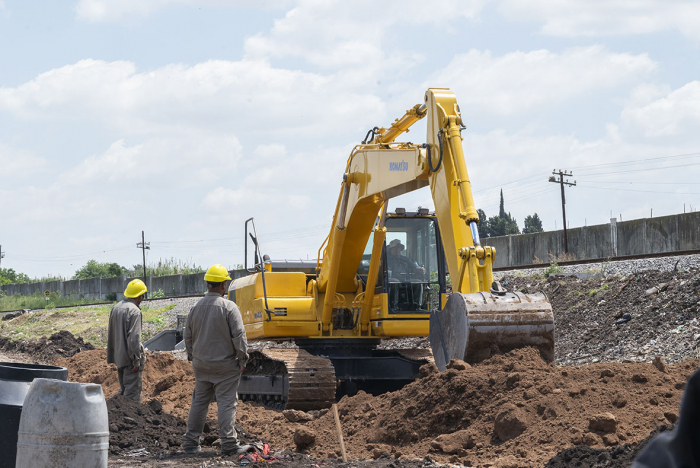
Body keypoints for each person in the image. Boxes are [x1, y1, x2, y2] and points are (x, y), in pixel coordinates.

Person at [182, 264, 249, 456]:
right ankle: (228, 443)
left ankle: (190, 443)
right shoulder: (229, 307)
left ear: (207, 284)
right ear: (223, 285)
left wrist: (193, 357)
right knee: (227, 403)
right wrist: (243, 359)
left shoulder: (195, 308)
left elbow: (188, 336)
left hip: (201, 365)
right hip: (225, 367)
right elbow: (239, 336)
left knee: (199, 402)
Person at [107, 278, 147, 403]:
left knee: (123, 391)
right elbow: (134, 339)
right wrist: (136, 360)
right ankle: (131, 421)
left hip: (119, 358)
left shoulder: (116, 308)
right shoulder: (134, 311)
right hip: (130, 361)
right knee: (132, 397)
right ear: (140, 295)